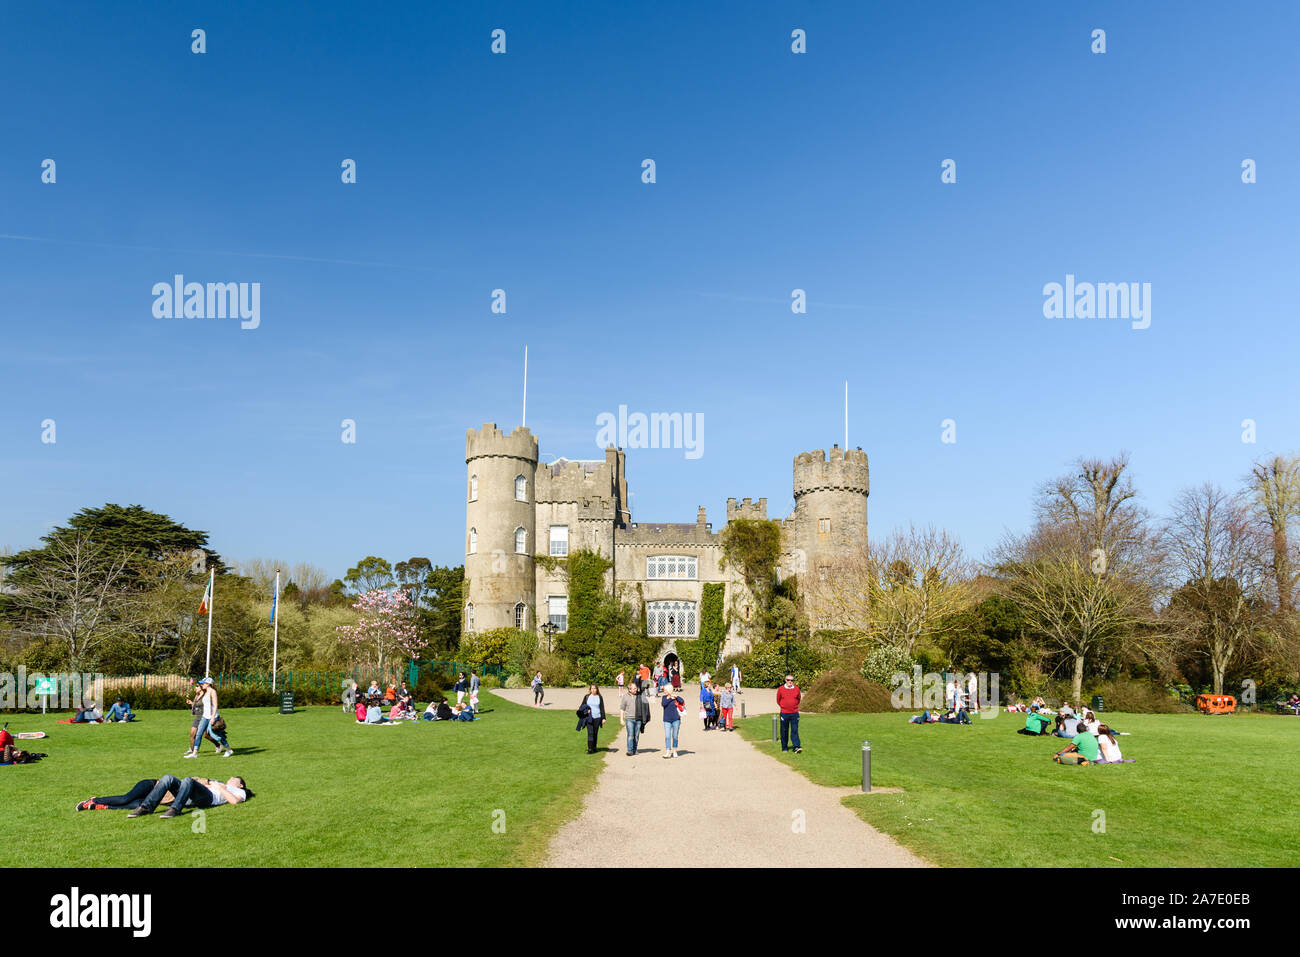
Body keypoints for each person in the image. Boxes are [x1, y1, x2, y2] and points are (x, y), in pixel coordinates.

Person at [126, 775, 250, 818]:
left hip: (209, 798)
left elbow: (234, 801)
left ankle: (175, 809)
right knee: (167, 778)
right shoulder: (221, 783)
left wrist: (221, 788)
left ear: (240, 785)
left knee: (188, 780)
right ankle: (146, 807)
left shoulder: (239, 792)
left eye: (234, 779)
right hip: (195, 792)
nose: (231, 779)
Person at [185, 677, 232, 758]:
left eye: (203, 683)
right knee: (199, 733)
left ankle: (228, 750)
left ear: (208, 684)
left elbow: (215, 705)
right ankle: (194, 753)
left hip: (212, 717)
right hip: (205, 716)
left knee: (216, 735)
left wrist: (213, 717)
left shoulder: (213, 692)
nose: (202, 685)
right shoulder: (205, 692)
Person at [620, 680, 649, 756]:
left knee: (636, 736)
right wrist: (621, 719)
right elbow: (622, 709)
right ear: (629, 689)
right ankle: (630, 750)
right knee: (630, 735)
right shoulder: (625, 697)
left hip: (638, 718)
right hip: (629, 719)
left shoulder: (639, 695)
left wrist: (638, 678)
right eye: (634, 688)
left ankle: (635, 749)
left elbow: (643, 686)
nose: (636, 689)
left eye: (636, 688)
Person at [776, 673, 802, 753]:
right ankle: (784, 747)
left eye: (791, 680)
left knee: (794, 730)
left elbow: (798, 699)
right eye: (788, 680)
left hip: (794, 713)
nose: (790, 682)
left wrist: (793, 706)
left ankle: (796, 747)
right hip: (784, 713)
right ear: (785, 680)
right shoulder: (781, 689)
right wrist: (784, 707)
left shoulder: (796, 689)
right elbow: (778, 700)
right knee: (784, 730)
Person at [579, 684, 606, 754]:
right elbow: (581, 707)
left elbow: (602, 708)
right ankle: (590, 749)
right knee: (590, 733)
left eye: (595, 688)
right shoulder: (587, 697)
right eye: (592, 688)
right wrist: (586, 711)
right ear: (590, 689)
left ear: (597, 689)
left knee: (595, 733)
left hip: (597, 717)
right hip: (589, 718)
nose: (593, 690)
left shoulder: (599, 697)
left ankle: (594, 747)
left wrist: (603, 718)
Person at [660, 684, 684, 758]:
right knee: (667, 736)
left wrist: (676, 697)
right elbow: (663, 704)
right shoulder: (664, 697)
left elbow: (682, 701)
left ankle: (674, 751)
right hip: (667, 719)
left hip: (676, 719)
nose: (664, 691)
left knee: (675, 736)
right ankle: (668, 751)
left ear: (669, 690)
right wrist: (670, 698)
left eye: (665, 690)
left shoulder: (675, 697)